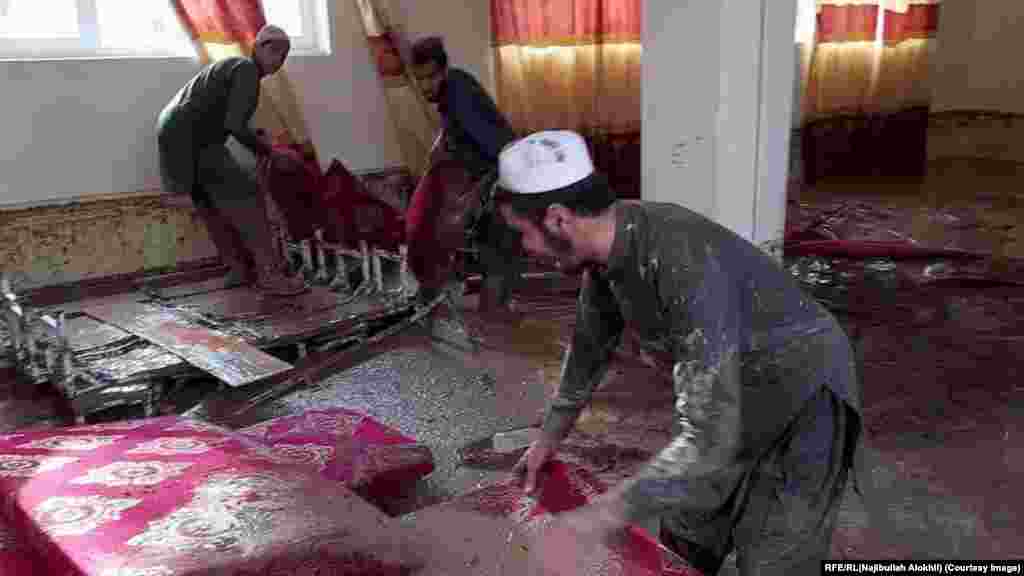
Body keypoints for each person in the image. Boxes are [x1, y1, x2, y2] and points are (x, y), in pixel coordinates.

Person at [496, 131, 864, 575]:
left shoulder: (678, 259)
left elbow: (707, 442)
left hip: (802, 385)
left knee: (775, 556)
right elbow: (587, 354)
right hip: (730, 389)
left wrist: (594, 520)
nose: (524, 249)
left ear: (557, 220)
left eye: (522, 234)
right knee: (687, 533)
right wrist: (546, 441)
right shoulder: (608, 253)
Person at [156, 24, 307, 295]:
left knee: (210, 205)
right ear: (257, 47)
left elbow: (230, 120)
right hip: (195, 138)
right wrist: (270, 153)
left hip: (172, 133)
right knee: (248, 199)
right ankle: (271, 276)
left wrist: (258, 141)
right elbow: (236, 125)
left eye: (284, 56)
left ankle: (237, 269)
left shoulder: (232, 67)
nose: (279, 60)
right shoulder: (247, 70)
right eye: (275, 51)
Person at [409, 36, 521, 316]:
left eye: (430, 78)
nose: (425, 86)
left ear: (444, 72)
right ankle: (492, 311)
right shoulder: (451, 89)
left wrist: (474, 197)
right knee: (484, 255)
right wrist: (441, 141)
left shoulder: (460, 95)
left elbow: (501, 152)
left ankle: (496, 323)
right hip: (488, 177)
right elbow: (455, 129)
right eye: (419, 79)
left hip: (503, 178)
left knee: (496, 258)